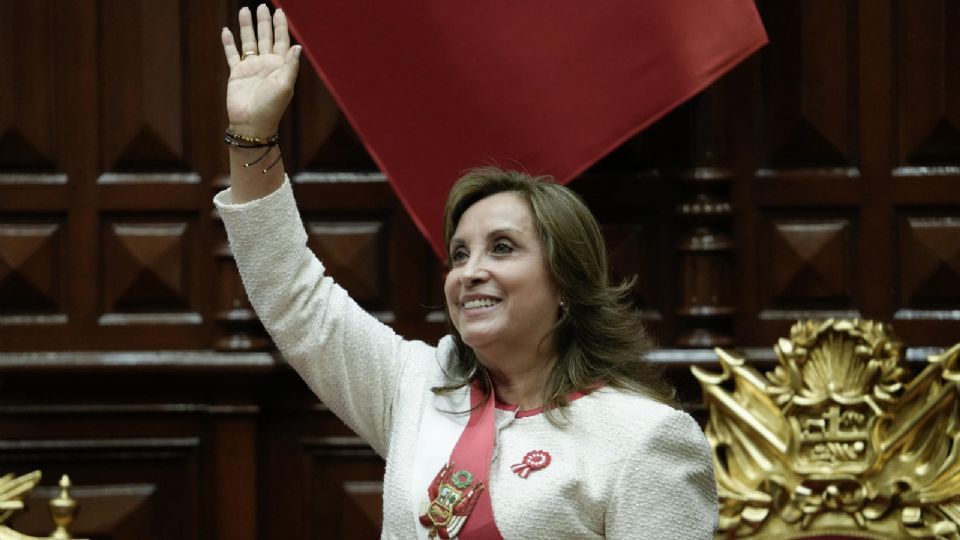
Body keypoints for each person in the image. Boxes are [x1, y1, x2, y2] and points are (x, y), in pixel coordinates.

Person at [216, 4, 718, 538]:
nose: (470, 272)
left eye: (502, 248)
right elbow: (295, 298)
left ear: (567, 283)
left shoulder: (644, 437)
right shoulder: (418, 388)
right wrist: (253, 136)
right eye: (460, 254)